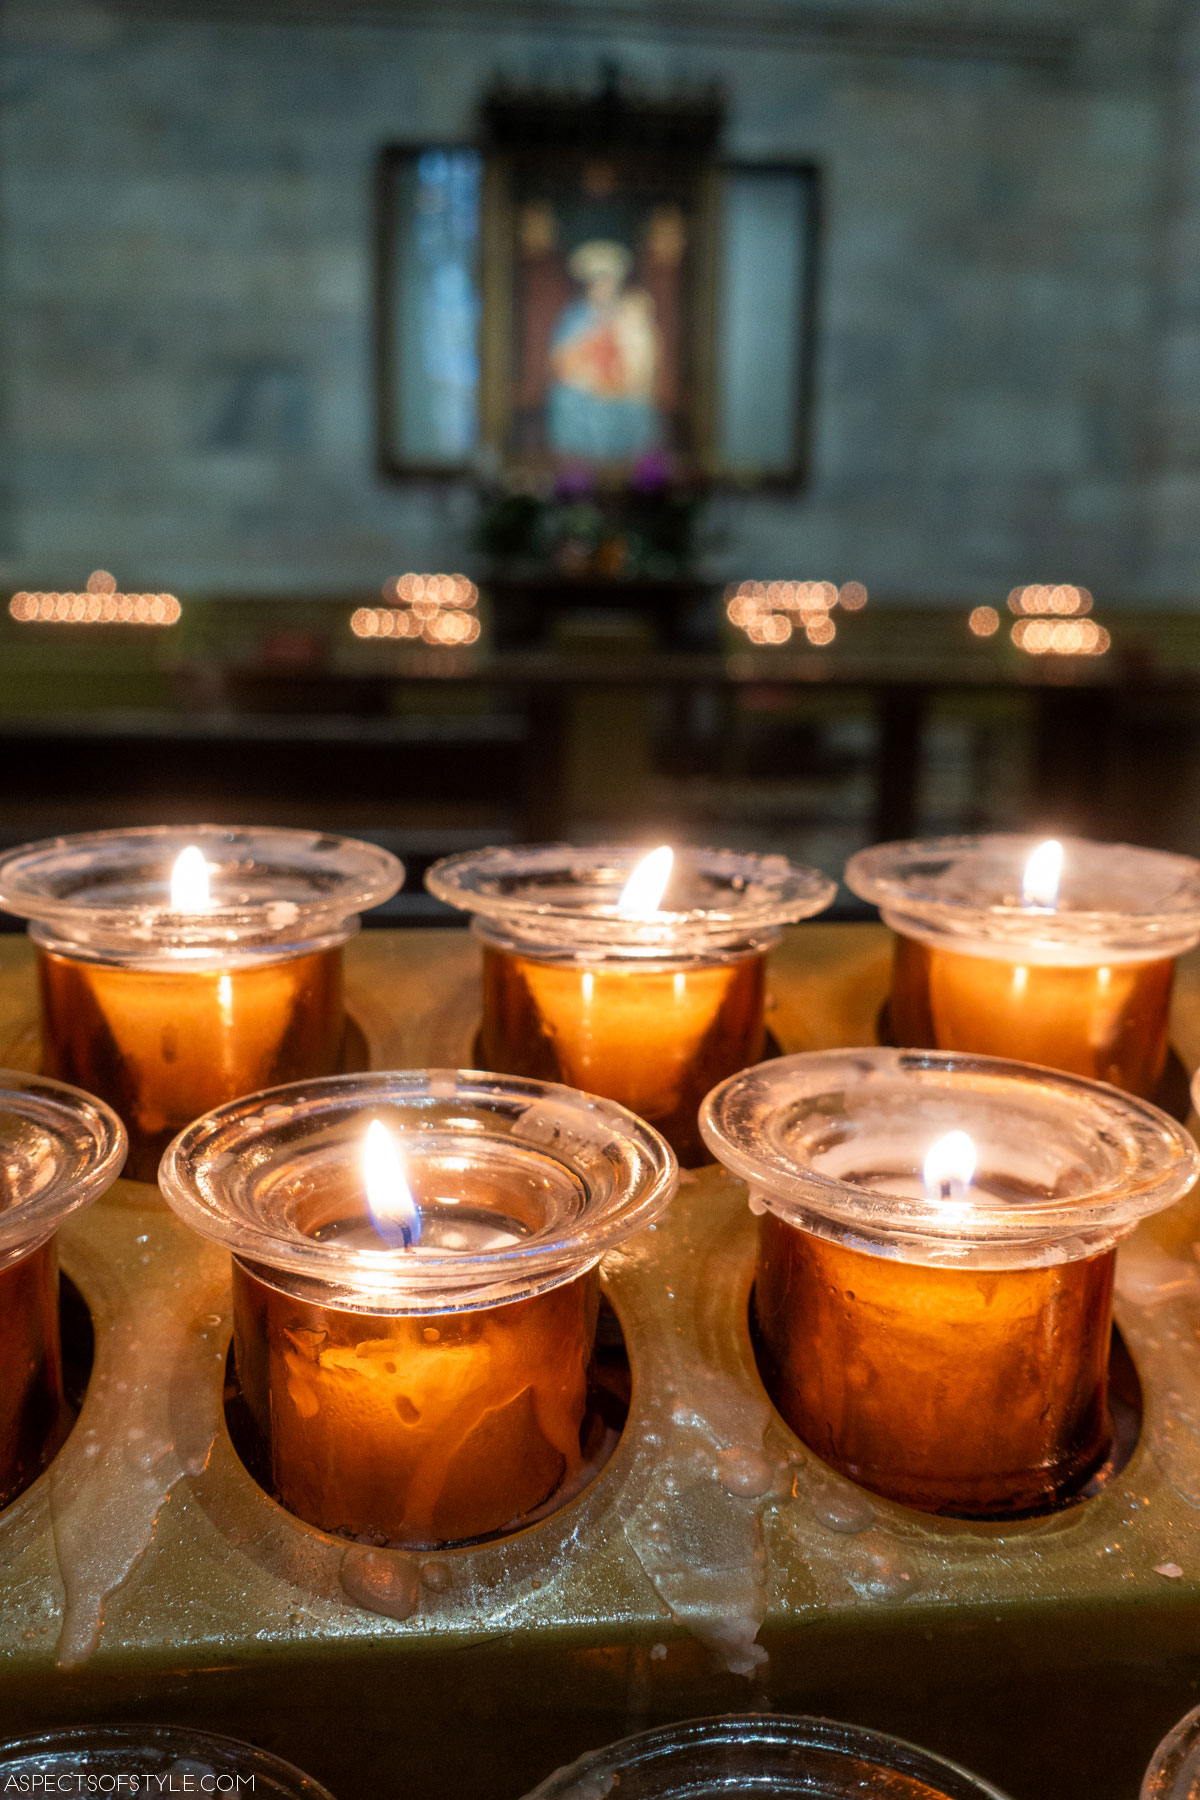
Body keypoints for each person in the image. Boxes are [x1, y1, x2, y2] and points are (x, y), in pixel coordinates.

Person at [546, 239, 662, 461]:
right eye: (598, 281)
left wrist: (624, 378)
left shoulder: (631, 313)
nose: (603, 287)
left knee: (640, 404)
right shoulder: (574, 316)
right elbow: (561, 360)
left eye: (608, 281)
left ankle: (627, 468)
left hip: (622, 387)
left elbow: (642, 357)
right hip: (584, 388)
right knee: (566, 400)